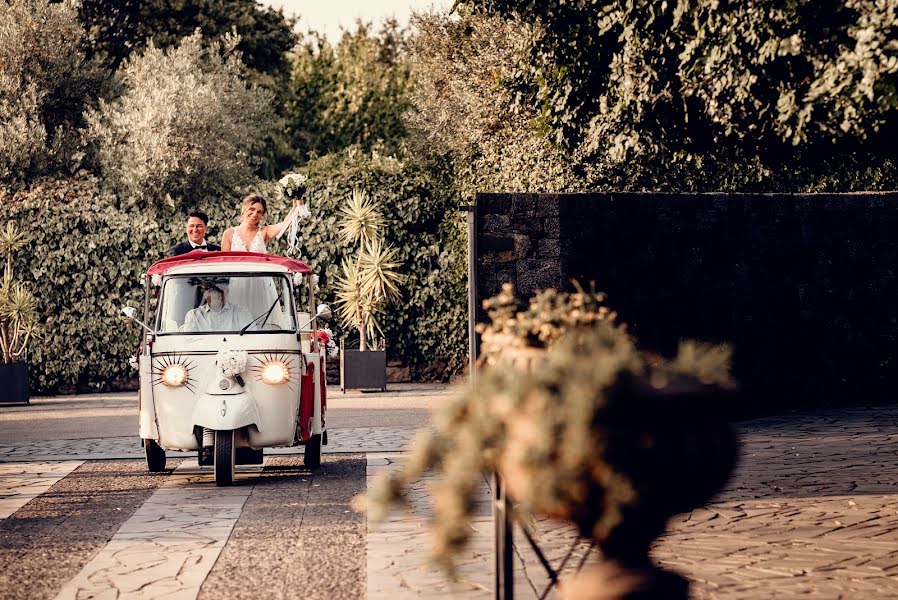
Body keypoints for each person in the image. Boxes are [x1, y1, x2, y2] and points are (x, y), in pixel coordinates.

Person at [220, 194, 300, 255]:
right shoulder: (229, 234)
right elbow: (225, 263)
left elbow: (284, 225)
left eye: (259, 212)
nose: (255, 214)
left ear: (262, 216)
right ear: (244, 209)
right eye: (252, 209)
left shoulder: (264, 231)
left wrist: (295, 207)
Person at [180, 283, 254, 332]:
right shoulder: (194, 315)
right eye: (209, 291)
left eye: (218, 290)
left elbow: (251, 338)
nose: (214, 294)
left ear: (226, 291)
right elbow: (189, 342)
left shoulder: (240, 312)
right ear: (204, 294)